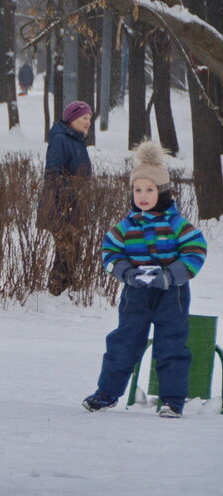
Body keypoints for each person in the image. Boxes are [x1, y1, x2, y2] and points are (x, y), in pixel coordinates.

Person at [82, 141, 207, 418]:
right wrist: (126, 272)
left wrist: (171, 275)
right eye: (138, 189)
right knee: (123, 343)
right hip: (136, 294)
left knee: (171, 345)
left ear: (162, 192)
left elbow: (195, 250)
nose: (143, 195)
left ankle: (172, 400)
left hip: (170, 293)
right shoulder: (125, 227)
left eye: (149, 189)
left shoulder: (177, 225)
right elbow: (110, 252)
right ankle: (106, 394)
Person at [39, 100, 94, 296]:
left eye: (89, 118)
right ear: (72, 119)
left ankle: (66, 290)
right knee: (66, 250)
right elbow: (53, 173)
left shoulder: (77, 140)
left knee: (74, 249)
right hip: (61, 206)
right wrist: (70, 195)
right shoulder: (61, 140)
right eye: (84, 118)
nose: (88, 122)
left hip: (75, 205)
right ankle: (57, 291)